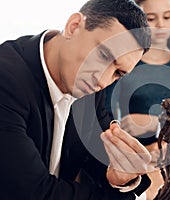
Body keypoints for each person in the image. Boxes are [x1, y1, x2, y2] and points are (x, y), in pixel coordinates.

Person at [0, 0, 153, 199]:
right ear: (73, 27)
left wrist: (126, 179)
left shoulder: (89, 88)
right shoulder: (5, 80)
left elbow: (104, 165)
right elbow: (33, 192)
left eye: (118, 73)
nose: (103, 80)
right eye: (104, 55)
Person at [105, 0, 170, 152]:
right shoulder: (124, 64)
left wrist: (166, 145)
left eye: (167, 17)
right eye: (151, 18)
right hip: (132, 156)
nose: (160, 24)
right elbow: (106, 114)